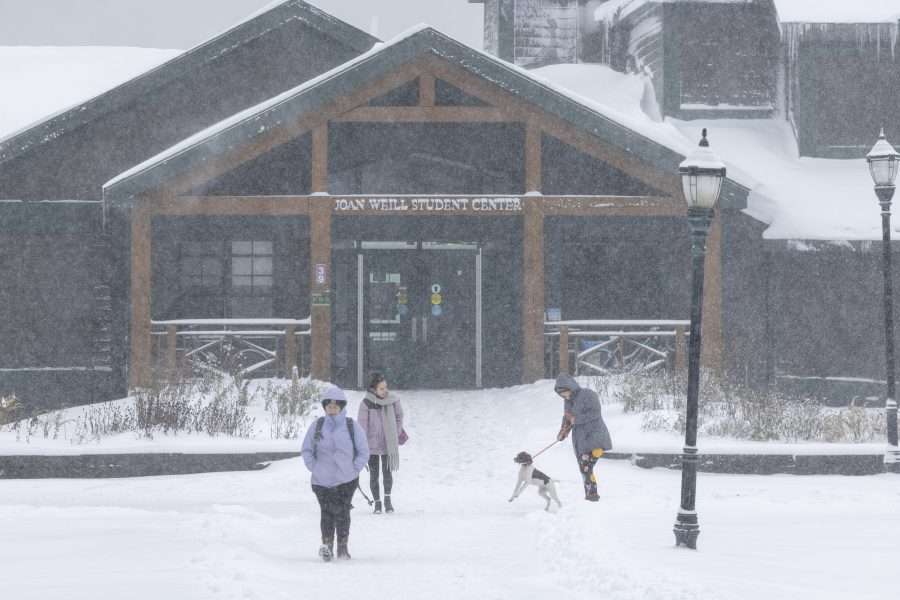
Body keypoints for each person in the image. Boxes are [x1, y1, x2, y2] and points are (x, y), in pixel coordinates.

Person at [301, 385, 369, 561]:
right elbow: (307, 450)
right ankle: (327, 546)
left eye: (335, 406)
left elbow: (363, 451)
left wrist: (354, 468)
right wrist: (314, 467)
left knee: (343, 512)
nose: (332, 410)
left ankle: (342, 548)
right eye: (328, 406)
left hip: (346, 480)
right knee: (326, 513)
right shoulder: (317, 426)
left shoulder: (351, 426)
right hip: (321, 481)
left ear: (342, 407)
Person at [554, 373, 612, 502]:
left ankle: (592, 495)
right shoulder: (567, 402)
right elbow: (568, 418)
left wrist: (577, 419)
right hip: (581, 441)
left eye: (565, 391)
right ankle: (591, 495)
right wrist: (563, 432)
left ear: (571, 387)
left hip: (595, 436)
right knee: (584, 468)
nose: (564, 395)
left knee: (586, 466)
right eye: (561, 394)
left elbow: (595, 412)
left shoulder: (587, 394)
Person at [357, 372, 404, 514]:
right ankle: (377, 503)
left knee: (387, 473)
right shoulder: (366, 403)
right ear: (374, 389)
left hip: (388, 444)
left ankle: (388, 501)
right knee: (374, 475)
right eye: (381, 388)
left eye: (386, 388)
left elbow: (399, 417)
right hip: (371, 445)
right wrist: (362, 445)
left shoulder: (393, 400)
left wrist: (395, 433)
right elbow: (362, 425)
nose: (385, 391)